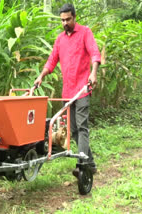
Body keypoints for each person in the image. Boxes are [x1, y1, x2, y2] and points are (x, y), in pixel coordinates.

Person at [34, 3, 101, 177]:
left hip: (83, 89)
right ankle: (91, 163)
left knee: (82, 126)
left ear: (74, 17)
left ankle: (82, 166)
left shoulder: (85, 32)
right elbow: (51, 60)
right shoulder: (60, 40)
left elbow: (94, 53)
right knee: (73, 130)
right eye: (62, 20)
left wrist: (93, 74)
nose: (65, 23)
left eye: (68, 19)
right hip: (68, 91)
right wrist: (41, 76)